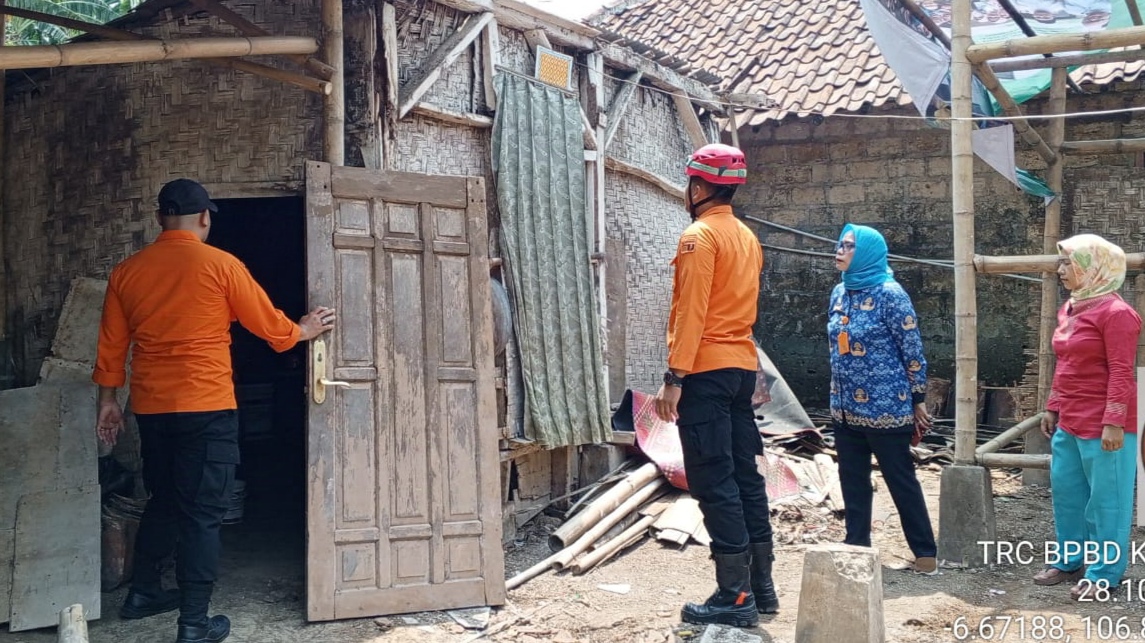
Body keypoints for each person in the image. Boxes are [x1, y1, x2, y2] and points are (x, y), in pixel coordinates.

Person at [93, 179, 336, 643]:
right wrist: (302, 331)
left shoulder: (126, 273)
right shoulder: (221, 265)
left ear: (159, 217)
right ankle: (194, 623)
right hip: (206, 406)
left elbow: (111, 346)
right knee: (203, 512)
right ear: (205, 218)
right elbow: (269, 327)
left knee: (163, 497)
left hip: (152, 408)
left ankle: (143, 592)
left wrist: (108, 402)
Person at [653, 143, 777, 628]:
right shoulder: (747, 237)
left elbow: (692, 313)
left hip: (704, 371)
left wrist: (674, 377)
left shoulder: (698, 237)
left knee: (713, 478)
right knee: (746, 477)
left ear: (699, 187)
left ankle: (734, 595)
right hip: (741, 369)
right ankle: (761, 587)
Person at [1033, 234, 1140, 601]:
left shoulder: (1118, 315)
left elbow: (1123, 371)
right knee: (1067, 492)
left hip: (1106, 425)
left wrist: (1114, 420)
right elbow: (1066, 363)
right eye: (1061, 263)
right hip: (1070, 418)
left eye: (1068, 263)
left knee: (1107, 500)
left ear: (1093, 268)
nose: (1061, 270)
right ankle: (1070, 560)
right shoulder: (1072, 308)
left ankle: (1105, 573)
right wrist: (1053, 404)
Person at [828, 224, 938, 574]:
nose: (840, 250)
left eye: (848, 246)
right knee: (852, 478)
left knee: (899, 477)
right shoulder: (839, 293)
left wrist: (917, 397)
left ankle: (925, 553)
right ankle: (857, 545)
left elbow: (912, 350)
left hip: (886, 407)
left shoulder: (891, 294)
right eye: (841, 244)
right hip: (844, 406)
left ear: (866, 253)